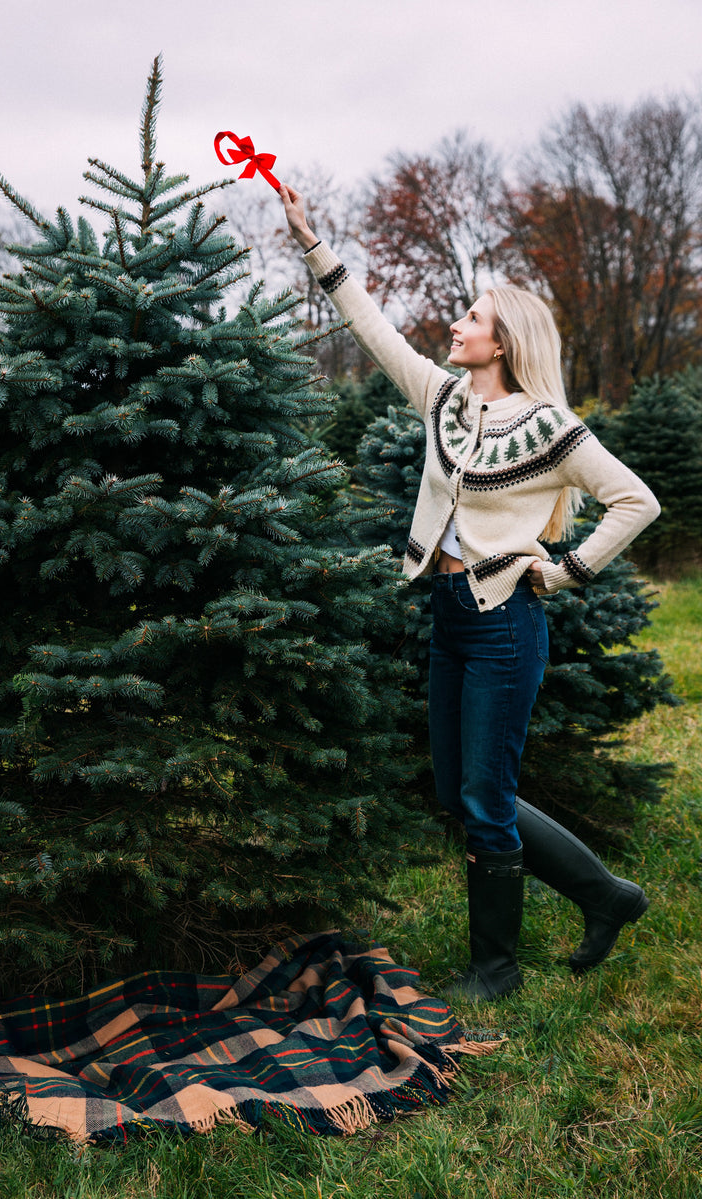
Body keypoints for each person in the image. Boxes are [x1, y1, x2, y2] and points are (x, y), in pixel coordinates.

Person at [279, 183, 661, 1001]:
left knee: (486, 798)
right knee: (464, 791)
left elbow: (637, 501)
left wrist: (564, 570)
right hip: (449, 615)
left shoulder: (551, 428)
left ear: (503, 341)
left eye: (471, 318)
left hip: (506, 623)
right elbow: (372, 328)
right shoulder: (444, 398)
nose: (456, 326)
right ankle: (606, 896)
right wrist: (313, 243)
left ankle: (497, 970)